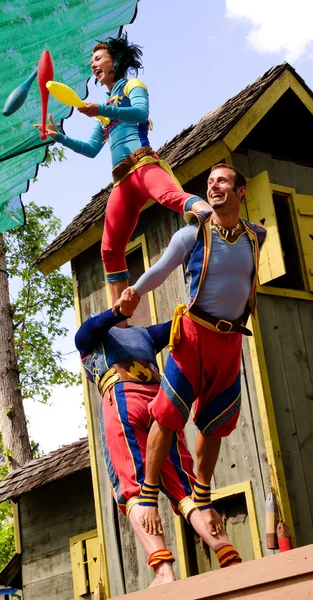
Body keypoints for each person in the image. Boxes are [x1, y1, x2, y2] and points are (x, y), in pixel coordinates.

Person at [114, 164, 267, 536]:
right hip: (193, 336)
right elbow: (161, 271)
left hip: (230, 342)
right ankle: (149, 494)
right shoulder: (191, 235)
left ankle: (202, 494)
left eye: (223, 181)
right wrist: (133, 293)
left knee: (215, 425)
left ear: (240, 192)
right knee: (166, 417)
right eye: (210, 182)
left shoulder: (257, 236)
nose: (214, 186)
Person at [74, 303, 242, 587]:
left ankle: (165, 571)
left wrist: (120, 311)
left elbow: (177, 326)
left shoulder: (130, 336)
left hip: (125, 402)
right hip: (159, 404)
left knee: (132, 487)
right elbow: (179, 325)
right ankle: (224, 549)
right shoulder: (128, 336)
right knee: (184, 487)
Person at [35, 34, 210, 304]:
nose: (93, 64)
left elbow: (141, 113)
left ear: (115, 61)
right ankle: (121, 315)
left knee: (171, 197)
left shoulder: (132, 86)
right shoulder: (104, 110)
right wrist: (59, 137)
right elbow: (92, 149)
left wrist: (102, 108)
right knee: (109, 249)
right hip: (122, 184)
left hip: (142, 165)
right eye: (91, 61)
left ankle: (212, 219)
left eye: (98, 58)